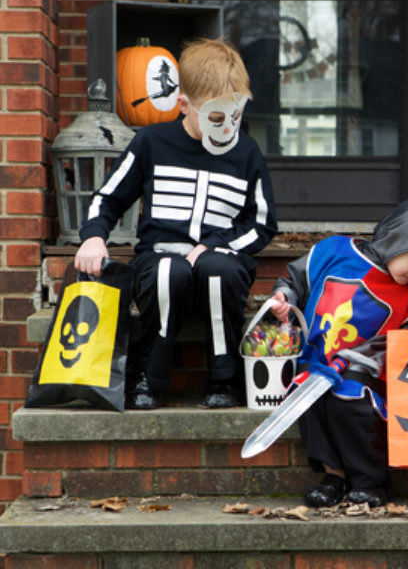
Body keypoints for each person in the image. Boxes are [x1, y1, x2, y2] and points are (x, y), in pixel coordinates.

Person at [75, 38, 278, 410]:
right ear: (184, 105)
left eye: (235, 114)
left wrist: (215, 246)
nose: (227, 126)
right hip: (161, 263)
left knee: (217, 269)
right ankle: (149, 378)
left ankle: (225, 377)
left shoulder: (246, 152)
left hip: (221, 262)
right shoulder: (152, 142)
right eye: (216, 116)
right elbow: (107, 198)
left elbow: (262, 224)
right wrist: (92, 237)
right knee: (170, 272)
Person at [268, 198, 408, 508]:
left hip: (364, 373)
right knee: (311, 397)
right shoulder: (333, 252)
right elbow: (295, 280)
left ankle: (370, 480)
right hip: (316, 363)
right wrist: (283, 297)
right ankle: (333, 476)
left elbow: (402, 346)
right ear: (397, 242)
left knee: (350, 400)